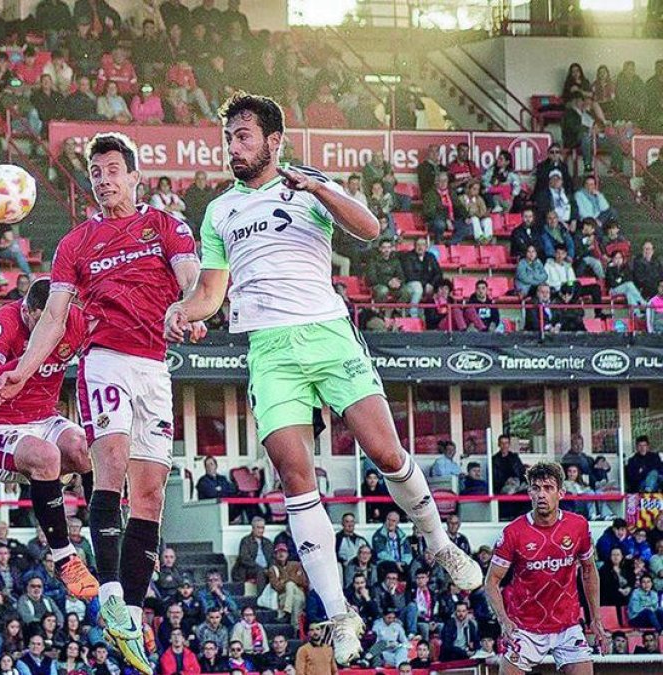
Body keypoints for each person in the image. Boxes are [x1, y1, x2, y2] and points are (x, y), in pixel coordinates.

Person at [165, 92, 479, 665]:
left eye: (243, 136)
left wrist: (319, 188)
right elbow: (211, 292)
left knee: (386, 454)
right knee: (294, 477)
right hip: (269, 349)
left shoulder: (308, 186)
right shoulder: (218, 212)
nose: (233, 146)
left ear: (273, 140)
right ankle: (338, 613)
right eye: (228, 137)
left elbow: (370, 227)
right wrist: (183, 312)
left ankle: (441, 544)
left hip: (328, 336)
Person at [0, 132, 201, 675]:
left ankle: (129, 610)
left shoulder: (163, 225)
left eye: (112, 170)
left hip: (155, 367)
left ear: (135, 176)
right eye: (96, 172)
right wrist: (22, 370)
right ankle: (108, 591)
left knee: (149, 495)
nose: (104, 179)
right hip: (104, 360)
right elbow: (54, 318)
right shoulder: (75, 244)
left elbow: (191, 277)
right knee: (110, 467)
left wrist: (193, 308)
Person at [0, 278, 98, 599]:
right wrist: (30, 359)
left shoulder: (72, 319)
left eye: (57, 321)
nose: (53, 329)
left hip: (42, 416)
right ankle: (64, 558)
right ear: (29, 310)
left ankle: (110, 536)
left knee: (85, 448)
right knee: (47, 455)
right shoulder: (4, 322)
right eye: (44, 321)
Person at [484, 462, 608, 674]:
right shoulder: (513, 533)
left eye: (548, 488)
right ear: (529, 492)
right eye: (536, 488)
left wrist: (595, 619)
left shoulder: (578, 526)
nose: (541, 494)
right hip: (525, 626)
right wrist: (504, 621)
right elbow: (491, 582)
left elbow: (589, 571)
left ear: (561, 492)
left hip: (567, 625)